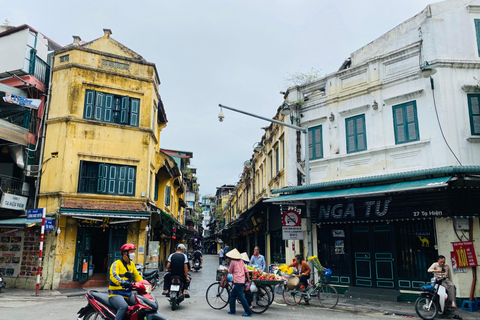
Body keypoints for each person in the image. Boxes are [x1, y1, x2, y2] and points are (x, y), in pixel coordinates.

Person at [108, 243, 143, 320]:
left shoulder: (132, 265)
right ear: (124, 253)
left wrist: (144, 283)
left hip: (127, 293)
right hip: (115, 293)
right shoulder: (116, 264)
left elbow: (137, 276)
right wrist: (123, 282)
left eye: (134, 252)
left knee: (141, 305)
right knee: (123, 306)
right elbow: (114, 276)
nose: (133, 254)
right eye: (131, 252)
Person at [227, 248, 253, 317]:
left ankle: (248, 311)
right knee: (232, 295)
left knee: (241, 297)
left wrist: (227, 270)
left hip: (237, 281)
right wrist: (249, 279)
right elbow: (246, 270)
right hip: (242, 280)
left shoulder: (233, 261)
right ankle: (232, 310)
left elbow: (230, 271)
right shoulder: (241, 261)